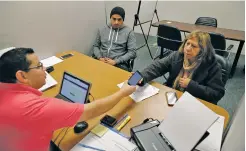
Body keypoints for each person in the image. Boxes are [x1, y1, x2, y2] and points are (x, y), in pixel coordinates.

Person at [0, 47, 136, 151]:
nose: (45, 68)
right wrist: (123, 92)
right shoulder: (35, 108)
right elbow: (92, 110)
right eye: (39, 66)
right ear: (22, 76)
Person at [139, 31, 225, 104]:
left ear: (203, 50)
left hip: (194, 102)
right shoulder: (178, 56)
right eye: (187, 43)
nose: (187, 48)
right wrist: (140, 76)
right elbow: (157, 67)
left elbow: (217, 93)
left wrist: (191, 85)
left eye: (194, 46)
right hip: (173, 96)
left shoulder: (212, 66)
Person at [93, 6, 136, 72]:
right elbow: (96, 46)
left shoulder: (129, 32)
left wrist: (116, 61)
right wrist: (99, 57)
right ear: (110, 18)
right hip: (101, 60)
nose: (116, 22)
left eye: (119, 19)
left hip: (118, 64)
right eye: (114, 19)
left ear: (123, 19)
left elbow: (132, 52)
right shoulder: (102, 29)